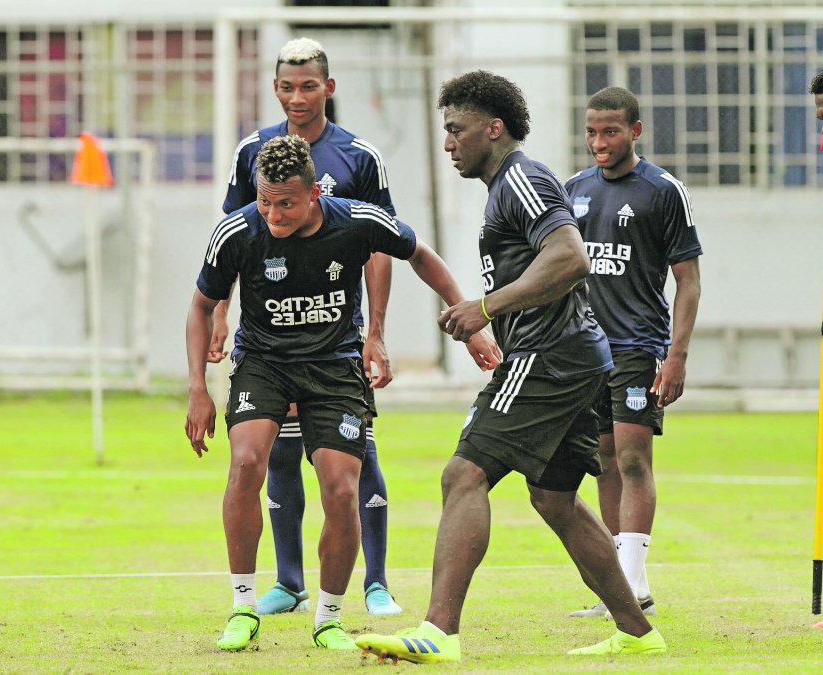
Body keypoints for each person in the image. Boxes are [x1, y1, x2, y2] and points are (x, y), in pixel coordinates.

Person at [354, 70, 667, 663]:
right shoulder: (507, 187)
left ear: (493, 129)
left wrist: (485, 307)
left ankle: (438, 631)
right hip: (574, 355)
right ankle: (638, 630)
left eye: (456, 129)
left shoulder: (520, 178)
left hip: (548, 357)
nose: (448, 143)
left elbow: (571, 257)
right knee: (553, 498)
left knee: (463, 475)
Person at [185, 134, 500, 653]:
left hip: (333, 368)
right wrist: (198, 389)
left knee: (339, 487)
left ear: (314, 195)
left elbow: (419, 254)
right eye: (265, 200)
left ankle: (329, 617)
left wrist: (469, 319)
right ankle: (242, 606)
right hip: (264, 363)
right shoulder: (237, 231)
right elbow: (201, 305)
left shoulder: (357, 220)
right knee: (245, 464)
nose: (272, 213)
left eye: (285, 202)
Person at [219, 36, 403, 616]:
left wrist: (375, 330)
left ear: (329, 87)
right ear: (275, 89)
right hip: (267, 337)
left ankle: (374, 582)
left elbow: (382, 247)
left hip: (335, 339)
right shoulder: (253, 151)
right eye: (287, 86)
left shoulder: (360, 157)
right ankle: (289, 581)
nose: (297, 97)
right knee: (269, 455)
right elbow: (232, 239)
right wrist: (221, 311)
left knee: (352, 457)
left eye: (308, 85)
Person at [563, 87, 703, 620]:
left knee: (631, 459)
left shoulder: (663, 191)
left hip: (639, 346)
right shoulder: (574, 190)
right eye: (592, 132)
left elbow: (688, 281)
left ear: (635, 131)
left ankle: (630, 583)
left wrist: (677, 354)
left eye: (611, 131)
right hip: (587, 349)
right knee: (603, 463)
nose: (600, 142)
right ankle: (624, 591)